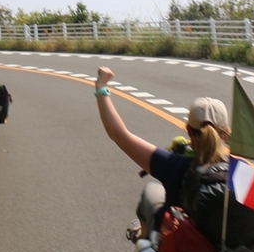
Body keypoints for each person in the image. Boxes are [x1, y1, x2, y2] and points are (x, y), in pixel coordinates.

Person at [93, 65, 232, 239]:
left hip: (181, 245)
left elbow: (118, 135)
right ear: (225, 134)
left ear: (188, 131)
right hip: (228, 250)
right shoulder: (239, 170)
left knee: (151, 191)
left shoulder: (174, 164)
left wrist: (101, 86)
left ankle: (145, 240)